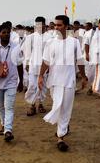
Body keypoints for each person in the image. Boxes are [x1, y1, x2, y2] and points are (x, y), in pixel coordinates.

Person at [38, 15, 88, 152]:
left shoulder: (74, 42)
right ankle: (63, 127)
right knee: (58, 106)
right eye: (55, 25)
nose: (56, 27)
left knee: (65, 108)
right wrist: (41, 76)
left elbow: (79, 61)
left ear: (66, 26)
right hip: (54, 81)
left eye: (59, 25)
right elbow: (46, 62)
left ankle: (60, 137)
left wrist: (84, 77)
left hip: (69, 81)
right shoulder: (50, 43)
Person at [24, 16, 49, 116]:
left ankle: (40, 104)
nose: (39, 26)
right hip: (33, 66)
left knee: (42, 87)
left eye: (41, 24)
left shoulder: (50, 37)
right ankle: (32, 105)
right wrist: (27, 64)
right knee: (32, 86)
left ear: (44, 25)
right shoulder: (30, 37)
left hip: (45, 66)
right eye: (37, 25)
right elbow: (27, 52)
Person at [82, 22, 95, 95]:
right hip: (85, 55)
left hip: (90, 56)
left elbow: (87, 44)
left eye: (86, 26)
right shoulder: (86, 33)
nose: (85, 27)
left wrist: (87, 54)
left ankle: (91, 87)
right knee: (87, 71)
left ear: (90, 26)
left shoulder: (91, 33)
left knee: (90, 72)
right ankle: (89, 86)